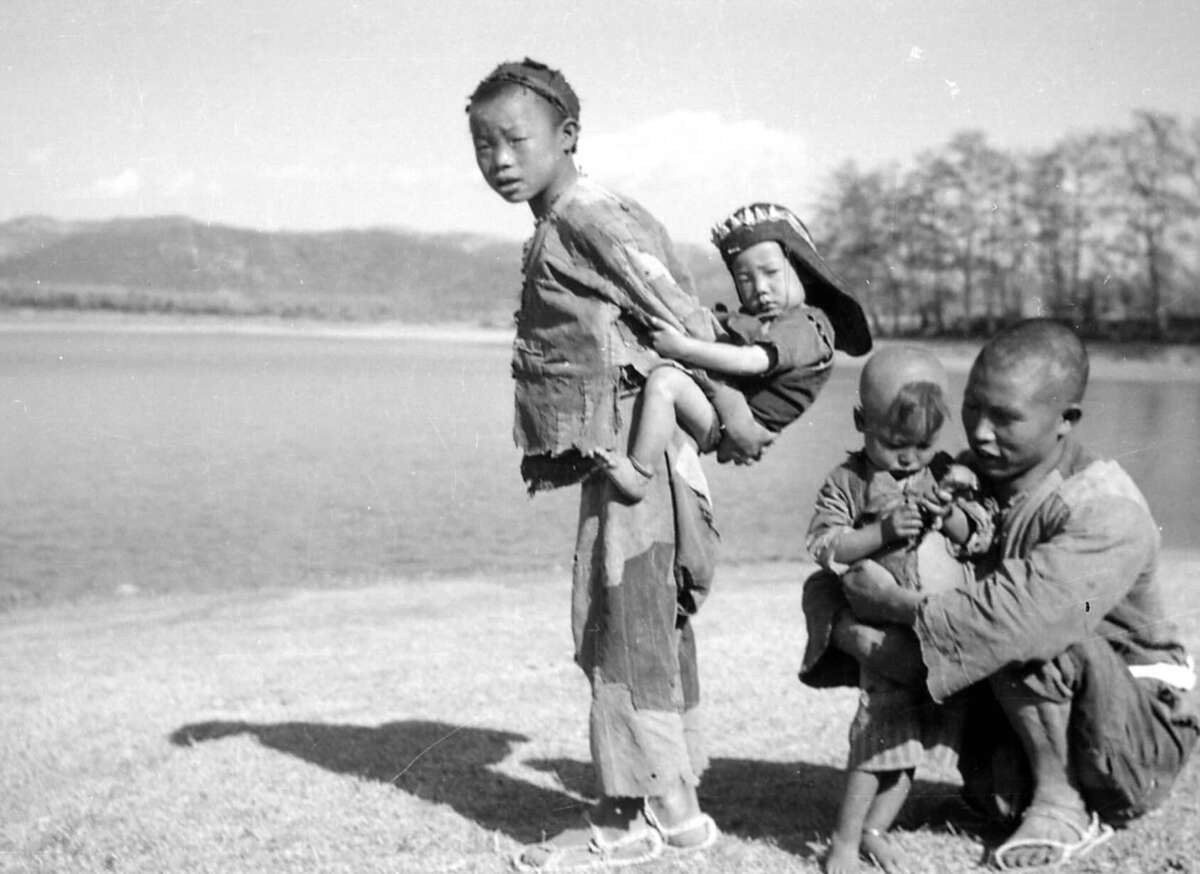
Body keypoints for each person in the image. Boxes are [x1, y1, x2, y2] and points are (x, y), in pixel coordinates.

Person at [467, 58, 773, 870]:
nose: (499, 159)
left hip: (642, 458)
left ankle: (639, 817)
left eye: (515, 140)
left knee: (624, 622)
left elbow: (681, 314)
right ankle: (668, 805)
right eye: (483, 145)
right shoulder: (566, 219)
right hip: (622, 452)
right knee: (634, 620)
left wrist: (733, 413)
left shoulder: (590, 217)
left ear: (567, 134)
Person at [801, 319, 1199, 871]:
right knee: (964, 618)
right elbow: (831, 575)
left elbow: (1021, 622)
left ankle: (1061, 802)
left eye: (1005, 418)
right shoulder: (969, 476)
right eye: (972, 409)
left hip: (1133, 734)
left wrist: (891, 608)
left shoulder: (1104, 508)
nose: (981, 433)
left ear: (1066, 420)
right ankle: (1011, 786)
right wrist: (850, 629)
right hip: (1038, 706)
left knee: (1024, 626)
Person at [806, 346, 996, 874]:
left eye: (923, 445)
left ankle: (875, 831)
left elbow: (979, 536)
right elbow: (826, 547)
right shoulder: (847, 480)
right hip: (883, 634)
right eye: (894, 444)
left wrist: (951, 513)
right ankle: (844, 842)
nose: (910, 458)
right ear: (861, 421)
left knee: (912, 743)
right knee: (877, 737)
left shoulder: (945, 473)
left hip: (933, 634)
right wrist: (881, 532)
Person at [597, 203, 871, 502]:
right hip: (726, 416)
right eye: (745, 279)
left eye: (771, 273)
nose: (760, 288)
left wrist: (684, 348)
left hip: (738, 424)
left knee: (666, 382)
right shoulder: (767, 320)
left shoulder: (805, 327)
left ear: (802, 271)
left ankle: (639, 472)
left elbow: (752, 361)